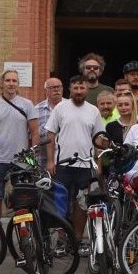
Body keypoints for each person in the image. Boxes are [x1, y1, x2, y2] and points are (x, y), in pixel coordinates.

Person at [46, 75, 106, 238]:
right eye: (76, 88)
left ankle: (77, 239)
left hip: (85, 165)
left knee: (81, 204)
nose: (79, 91)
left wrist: (98, 165)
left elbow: (99, 140)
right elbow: (50, 135)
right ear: (70, 89)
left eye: (82, 88)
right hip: (63, 164)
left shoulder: (93, 111)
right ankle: (61, 239)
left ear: (87, 89)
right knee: (61, 202)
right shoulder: (60, 108)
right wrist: (50, 161)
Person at [0, 69, 39, 228]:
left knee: (24, 198)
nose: (11, 84)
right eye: (8, 80)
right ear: (1, 83)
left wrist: (33, 158)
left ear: (18, 84)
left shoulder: (27, 104)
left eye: (14, 81)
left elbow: (34, 132)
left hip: (21, 160)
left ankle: (25, 236)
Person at [35, 76, 65, 162]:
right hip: (43, 158)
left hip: (64, 158)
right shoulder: (36, 110)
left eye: (59, 87)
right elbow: (33, 134)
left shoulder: (70, 107)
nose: (56, 90)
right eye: (52, 88)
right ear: (46, 91)